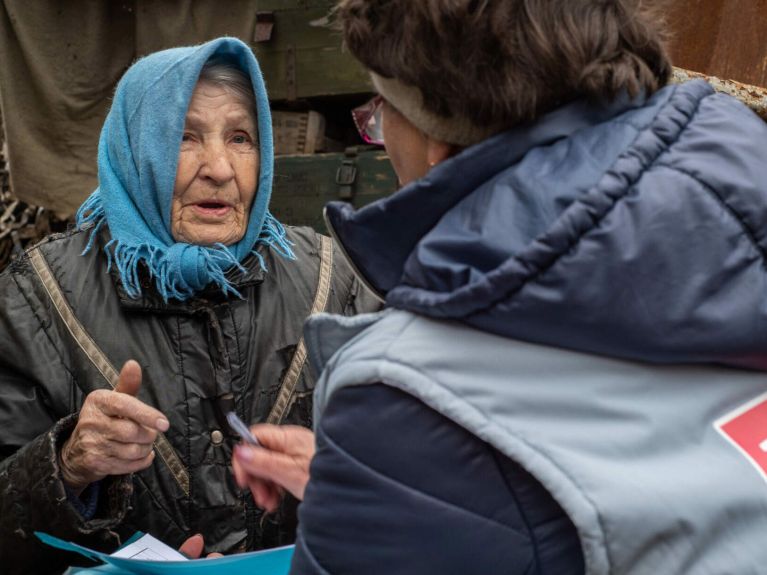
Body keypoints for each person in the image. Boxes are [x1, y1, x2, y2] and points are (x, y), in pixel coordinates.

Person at [226, 1, 767, 574]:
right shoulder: (731, 244)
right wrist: (388, 491)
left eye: (383, 110)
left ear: (436, 137)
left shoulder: (409, 398)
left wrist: (390, 474)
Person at [0, 37, 377, 574]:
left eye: (241, 138)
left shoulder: (332, 278)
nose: (220, 168)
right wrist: (67, 465)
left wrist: (343, 474)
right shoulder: (36, 298)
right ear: (137, 147)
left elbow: (422, 469)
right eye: (184, 137)